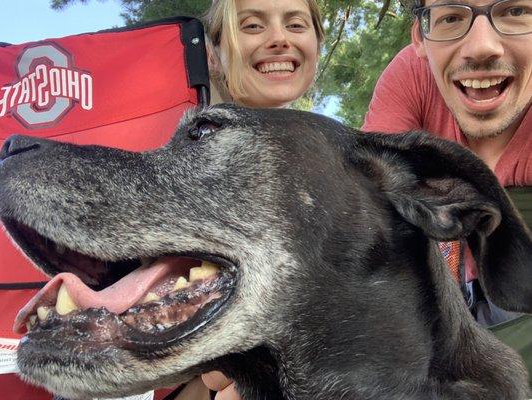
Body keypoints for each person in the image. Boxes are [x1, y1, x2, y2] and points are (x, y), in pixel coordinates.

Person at [362, 0, 532, 386]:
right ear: (420, 38)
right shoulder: (410, 75)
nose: (482, 46)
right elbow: (373, 195)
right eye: (452, 17)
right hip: (444, 285)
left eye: (515, 11)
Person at [188, 0, 324, 399]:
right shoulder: (191, 166)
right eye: (251, 26)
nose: (279, 39)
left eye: (296, 24)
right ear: (214, 55)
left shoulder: (327, 161)